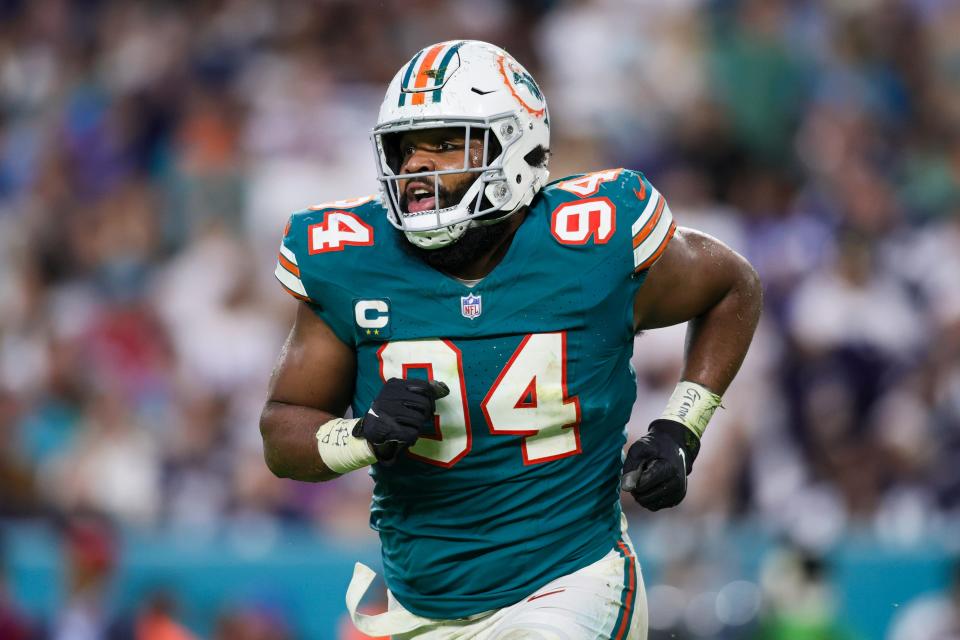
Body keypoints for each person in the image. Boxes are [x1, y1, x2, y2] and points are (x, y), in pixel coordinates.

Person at [260, 40, 761, 639]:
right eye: (406, 148)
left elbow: (733, 286)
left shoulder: (590, 239)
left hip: (570, 580)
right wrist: (359, 435)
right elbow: (282, 430)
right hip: (420, 602)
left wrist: (680, 429)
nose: (417, 166)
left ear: (515, 146)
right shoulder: (349, 259)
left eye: (446, 144)